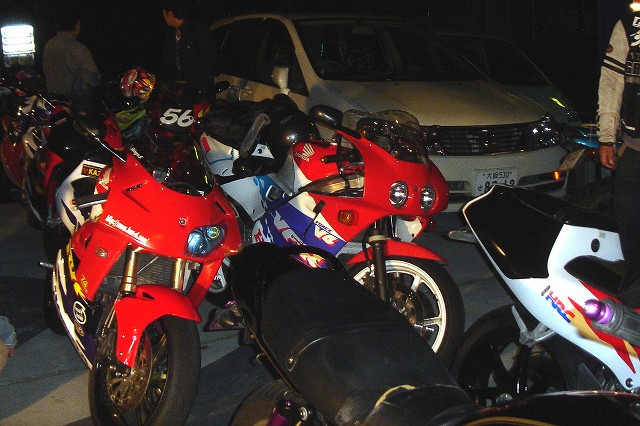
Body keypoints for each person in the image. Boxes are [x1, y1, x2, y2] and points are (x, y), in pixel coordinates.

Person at [597, 6, 640, 269]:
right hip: (634, 147)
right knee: (629, 225)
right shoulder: (629, 24)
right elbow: (611, 83)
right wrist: (606, 137)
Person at [42, 0, 101, 105]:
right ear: (77, 24)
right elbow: (92, 79)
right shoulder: (78, 49)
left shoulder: (48, 45)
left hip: (53, 103)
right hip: (74, 106)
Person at [159, 0, 216, 85]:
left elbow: (208, 63)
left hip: (197, 87)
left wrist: (192, 85)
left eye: (164, 13)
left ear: (170, 14)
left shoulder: (198, 32)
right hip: (176, 86)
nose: (163, 17)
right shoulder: (170, 36)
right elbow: (166, 64)